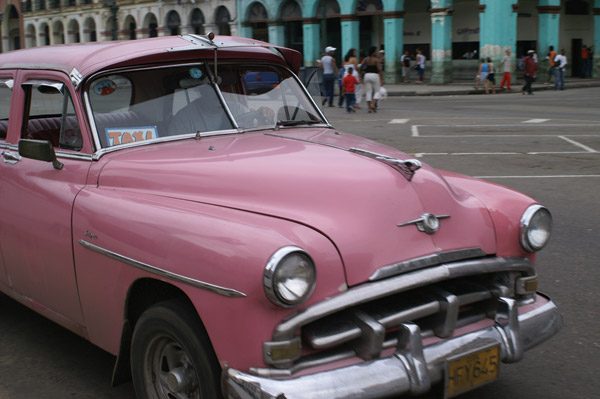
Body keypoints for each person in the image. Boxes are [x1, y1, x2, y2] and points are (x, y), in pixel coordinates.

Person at [361, 46, 383, 113]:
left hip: (367, 75)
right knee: (377, 91)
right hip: (374, 75)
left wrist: (361, 75)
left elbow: (361, 66)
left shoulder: (366, 59)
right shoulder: (376, 60)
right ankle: (373, 104)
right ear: (374, 52)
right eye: (376, 51)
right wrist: (382, 78)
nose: (377, 52)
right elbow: (379, 69)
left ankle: (369, 108)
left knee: (368, 92)